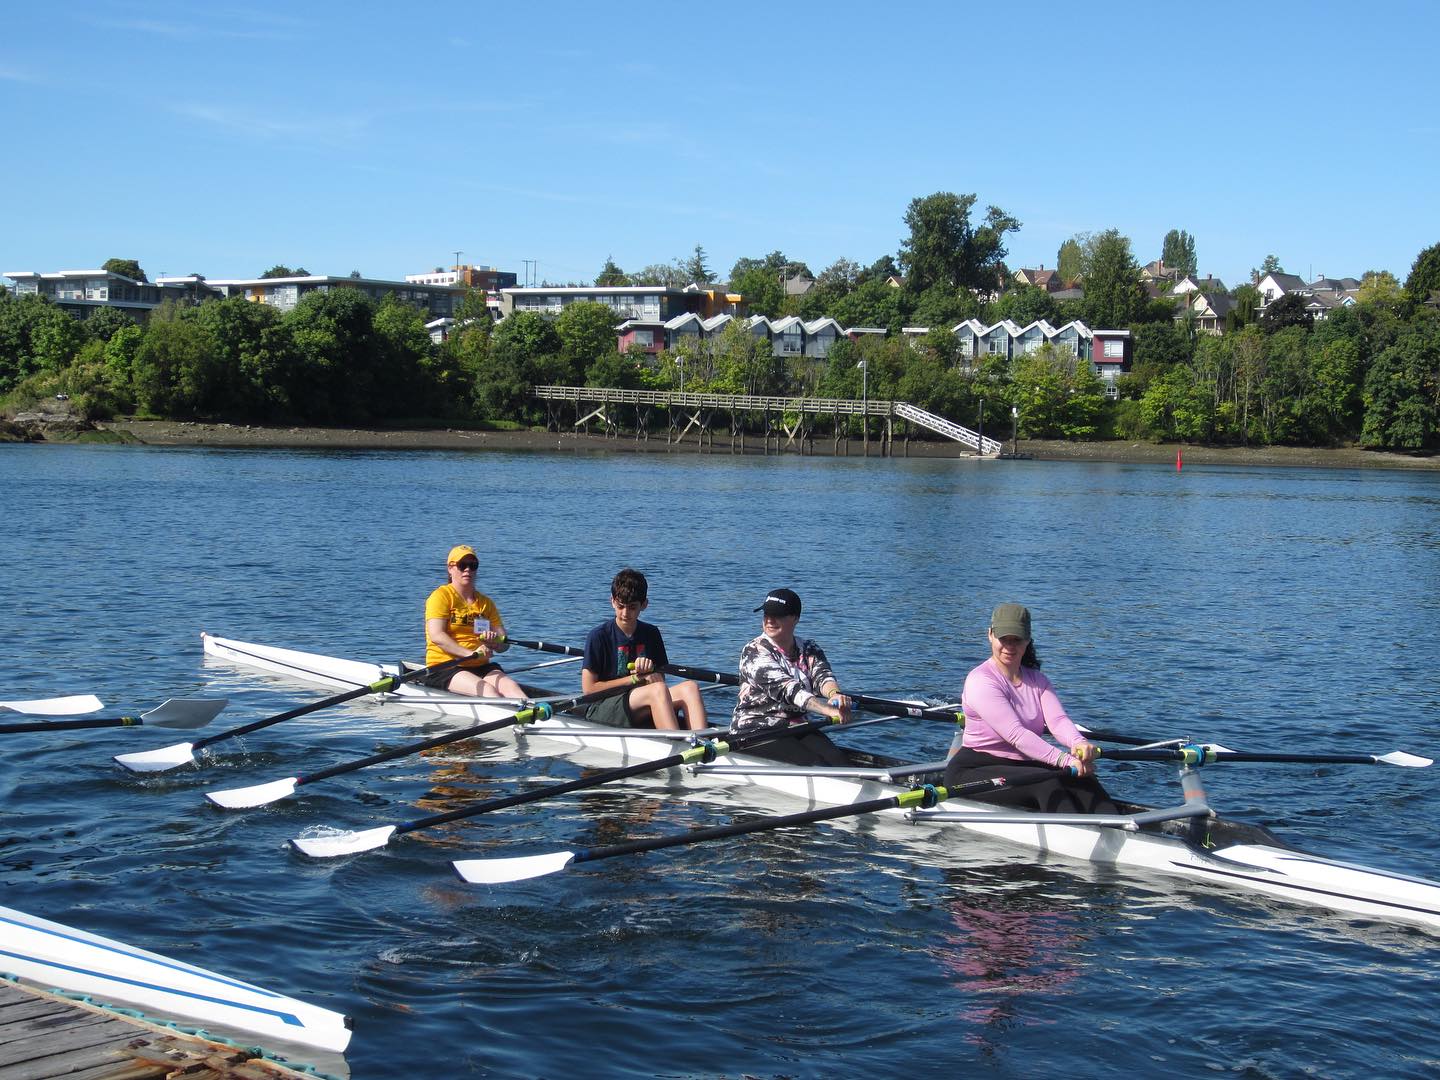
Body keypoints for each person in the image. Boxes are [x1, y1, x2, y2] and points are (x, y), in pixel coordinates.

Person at [943, 603, 1118, 814]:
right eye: (1004, 638)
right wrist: (1064, 759)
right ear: (990, 635)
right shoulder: (981, 680)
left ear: (1028, 640)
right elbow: (1016, 735)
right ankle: (1075, 839)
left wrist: (1079, 743)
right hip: (973, 770)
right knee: (1046, 785)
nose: (1009, 646)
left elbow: (1058, 721)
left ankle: (1119, 832)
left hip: (1021, 765)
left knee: (1083, 780)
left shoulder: (1038, 680)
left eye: (1016, 639)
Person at [731, 588, 853, 767]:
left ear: (795, 618)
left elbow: (823, 677)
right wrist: (828, 710)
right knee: (816, 765)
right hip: (756, 729)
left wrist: (834, 695)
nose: (770, 620)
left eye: (778, 615)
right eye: (766, 614)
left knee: (840, 762)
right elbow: (789, 691)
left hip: (796, 726)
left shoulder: (809, 648)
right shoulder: (753, 652)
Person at [581, 568, 708, 731]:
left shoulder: (651, 633)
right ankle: (676, 745)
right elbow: (589, 690)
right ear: (612, 601)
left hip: (642, 700)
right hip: (602, 707)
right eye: (621, 606)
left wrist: (650, 675)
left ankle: (703, 744)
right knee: (657, 691)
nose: (625, 613)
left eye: (632, 607)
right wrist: (634, 679)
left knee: (690, 688)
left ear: (644, 605)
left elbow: (660, 680)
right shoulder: (598, 636)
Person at [422, 544, 524, 698]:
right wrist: (471, 653)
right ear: (450, 568)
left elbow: (504, 645)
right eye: (462, 565)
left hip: (481, 665)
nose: (467, 570)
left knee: (513, 690)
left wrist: (495, 643)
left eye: (473, 565)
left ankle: (536, 717)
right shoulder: (441, 597)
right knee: (489, 692)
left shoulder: (486, 603)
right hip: (445, 667)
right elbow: (437, 636)